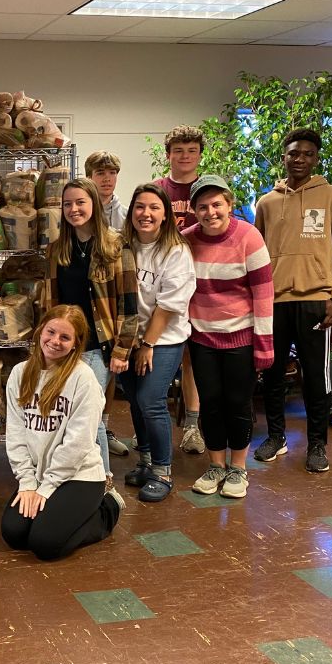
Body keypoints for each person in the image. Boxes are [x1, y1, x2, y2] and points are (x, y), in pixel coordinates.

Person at [1, 305, 123, 560]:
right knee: (14, 534)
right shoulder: (19, 374)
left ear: (76, 343)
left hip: (78, 474)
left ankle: (107, 508)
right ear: (40, 331)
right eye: (51, 332)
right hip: (38, 472)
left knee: (45, 544)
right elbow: (15, 434)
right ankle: (61, 513)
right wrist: (27, 482)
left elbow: (76, 445)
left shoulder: (83, 379)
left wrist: (46, 488)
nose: (55, 341)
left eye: (65, 337)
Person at [45, 177, 139, 489]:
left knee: (89, 413)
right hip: (63, 345)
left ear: (94, 205)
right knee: (66, 411)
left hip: (99, 347)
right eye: (68, 204)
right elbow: (51, 301)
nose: (74, 209)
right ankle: (73, 475)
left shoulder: (115, 246)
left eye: (80, 202)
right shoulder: (57, 249)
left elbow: (129, 303)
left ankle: (104, 480)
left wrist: (122, 350)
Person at [184, 175, 274, 498]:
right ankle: (216, 465)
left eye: (217, 205)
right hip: (202, 339)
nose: (210, 212)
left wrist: (264, 345)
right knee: (210, 404)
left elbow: (264, 295)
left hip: (241, 339)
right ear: (194, 210)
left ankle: (238, 469)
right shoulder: (186, 240)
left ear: (229, 205)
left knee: (237, 403)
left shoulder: (249, 237)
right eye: (203, 207)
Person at [254, 128, 332, 473]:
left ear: (316, 158)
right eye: (293, 153)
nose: (299, 159)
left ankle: (317, 444)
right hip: (274, 302)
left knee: (315, 379)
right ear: (284, 157)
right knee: (273, 375)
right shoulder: (267, 201)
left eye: (306, 153)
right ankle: (276, 437)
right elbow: (255, 254)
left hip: (317, 300)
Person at [120, 183, 196, 502]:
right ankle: (147, 461)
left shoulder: (175, 251)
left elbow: (168, 306)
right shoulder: (124, 246)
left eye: (154, 207)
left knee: (151, 400)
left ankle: (163, 471)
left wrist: (148, 345)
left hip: (163, 339)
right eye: (140, 207)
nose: (146, 213)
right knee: (135, 399)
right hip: (128, 338)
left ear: (166, 214)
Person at [155, 124, 206, 456]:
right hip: (165, 282)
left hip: (203, 283)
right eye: (179, 151)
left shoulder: (208, 188)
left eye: (191, 151)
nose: (185, 157)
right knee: (161, 351)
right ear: (168, 154)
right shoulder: (158, 189)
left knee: (193, 357)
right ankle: (152, 422)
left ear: (200, 155)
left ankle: (192, 426)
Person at [85, 150, 129, 458]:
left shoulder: (123, 214)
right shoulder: (81, 207)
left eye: (111, 173)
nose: (107, 179)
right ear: (90, 176)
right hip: (85, 299)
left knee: (107, 369)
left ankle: (105, 426)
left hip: (110, 298)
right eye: (101, 173)